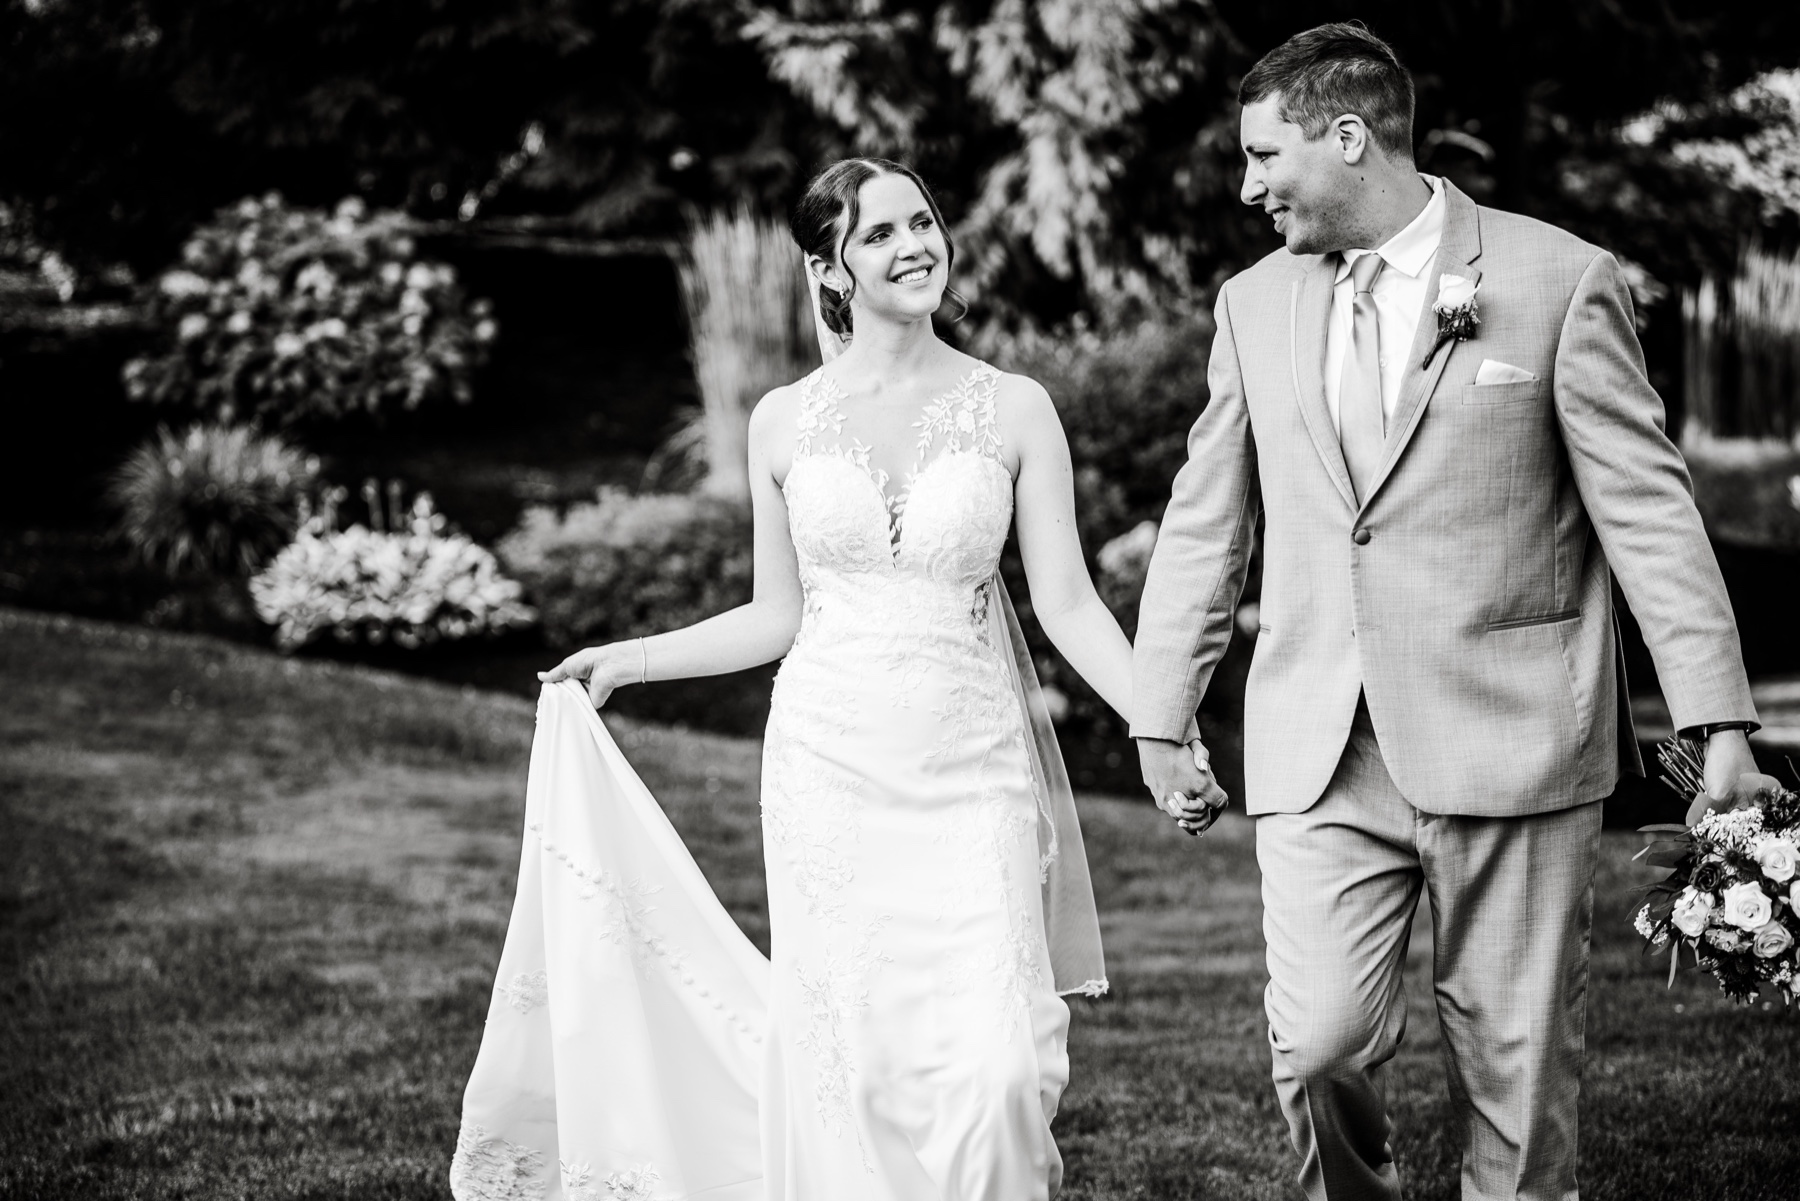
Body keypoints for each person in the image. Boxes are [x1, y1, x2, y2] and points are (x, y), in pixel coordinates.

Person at [450, 156, 1205, 1201]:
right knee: (854, 1075)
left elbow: (1069, 605)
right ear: (832, 266)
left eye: (925, 221)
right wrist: (629, 659)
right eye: (883, 232)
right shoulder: (782, 421)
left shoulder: (1016, 409)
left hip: (972, 776)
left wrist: (1160, 721)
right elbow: (776, 615)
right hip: (827, 775)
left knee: (995, 1074)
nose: (916, 246)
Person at [1132, 22, 1777, 1201]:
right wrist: (1160, 713)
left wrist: (1718, 723)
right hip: (1322, 746)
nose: (1247, 185)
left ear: (1349, 137)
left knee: (1519, 1078)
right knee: (1317, 1044)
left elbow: (1648, 515)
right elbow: (1204, 520)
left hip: (1515, 734)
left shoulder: (1556, 279)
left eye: (1264, 155)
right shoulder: (1252, 304)